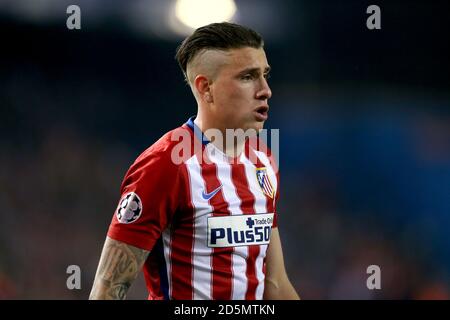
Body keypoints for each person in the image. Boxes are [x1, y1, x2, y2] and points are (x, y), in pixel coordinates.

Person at [89, 22, 299, 300]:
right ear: (206, 87)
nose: (265, 90)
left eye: (265, 75)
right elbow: (107, 290)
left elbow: (275, 282)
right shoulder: (165, 165)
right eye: (248, 77)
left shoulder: (264, 161)